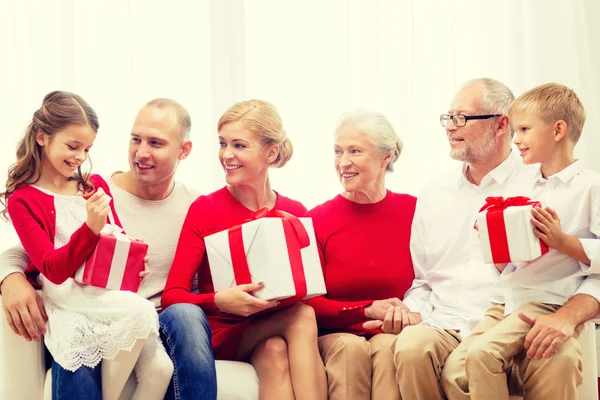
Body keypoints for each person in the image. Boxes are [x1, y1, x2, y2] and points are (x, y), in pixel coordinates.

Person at [389, 78, 600, 400]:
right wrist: (414, 312)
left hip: (530, 308)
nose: (449, 127)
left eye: (461, 117)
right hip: (458, 318)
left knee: (556, 358)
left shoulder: (538, 181)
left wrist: (567, 315)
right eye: (447, 118)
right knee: (416, 351)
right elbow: (424, 278)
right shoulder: (434, 195)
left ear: (501, 125)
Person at [0, 98, 219, 400]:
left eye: (156, 143)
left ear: (183, 150)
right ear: (42, 137)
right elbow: (34, 253)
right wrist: (8, 277)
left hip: (140, 309)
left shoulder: (196, 206)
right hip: (80, 300)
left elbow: (119, 239)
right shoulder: (94, 189)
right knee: (84, 347)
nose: (142, 153)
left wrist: (133, 262)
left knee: (168, 350)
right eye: (135, 139)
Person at [162, 99, 328, 400]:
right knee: (301, 317)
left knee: (275, 351)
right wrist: (220, 301)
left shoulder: (294, 212)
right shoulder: (206, 209)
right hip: (222, 331)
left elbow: (312, 294)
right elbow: (172, 296)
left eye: (239, 145)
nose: (226, 155)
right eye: (223, 143)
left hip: (270, 331)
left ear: (271, 152)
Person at [304, 109, 416, 400]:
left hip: (393, 333)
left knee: (389, 346)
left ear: (385, 157)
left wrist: (408, 317)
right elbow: (308, 305)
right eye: (338, 151)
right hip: (338, 336)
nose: (343, 162)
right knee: (350, 349)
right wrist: (366, 311)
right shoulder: (316, 219)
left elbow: (436, 282)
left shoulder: (415, 211)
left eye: (355, 151)